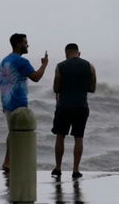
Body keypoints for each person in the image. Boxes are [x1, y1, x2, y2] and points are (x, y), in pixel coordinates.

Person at [0, 33, 49, 173]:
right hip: (18, 102)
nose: (28, 45)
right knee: (17, 133)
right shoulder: (22, 62)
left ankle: (8, 161)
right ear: (18, 44)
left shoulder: (5, 60)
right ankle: (9, 162)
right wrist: (44, 65)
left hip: (6, 101)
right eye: (25, 43)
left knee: (12, 132)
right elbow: (36, 77)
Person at [51, 43, 96, 179]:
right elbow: (92, 88)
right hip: (81, 106)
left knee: (60, 136)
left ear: (66, 53)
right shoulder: (90, 66)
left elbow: (56, 88)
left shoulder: (60, 66)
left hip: (64, 106)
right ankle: (75, 170)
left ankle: (58, 168)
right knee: (78, 138)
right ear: (79, 53)